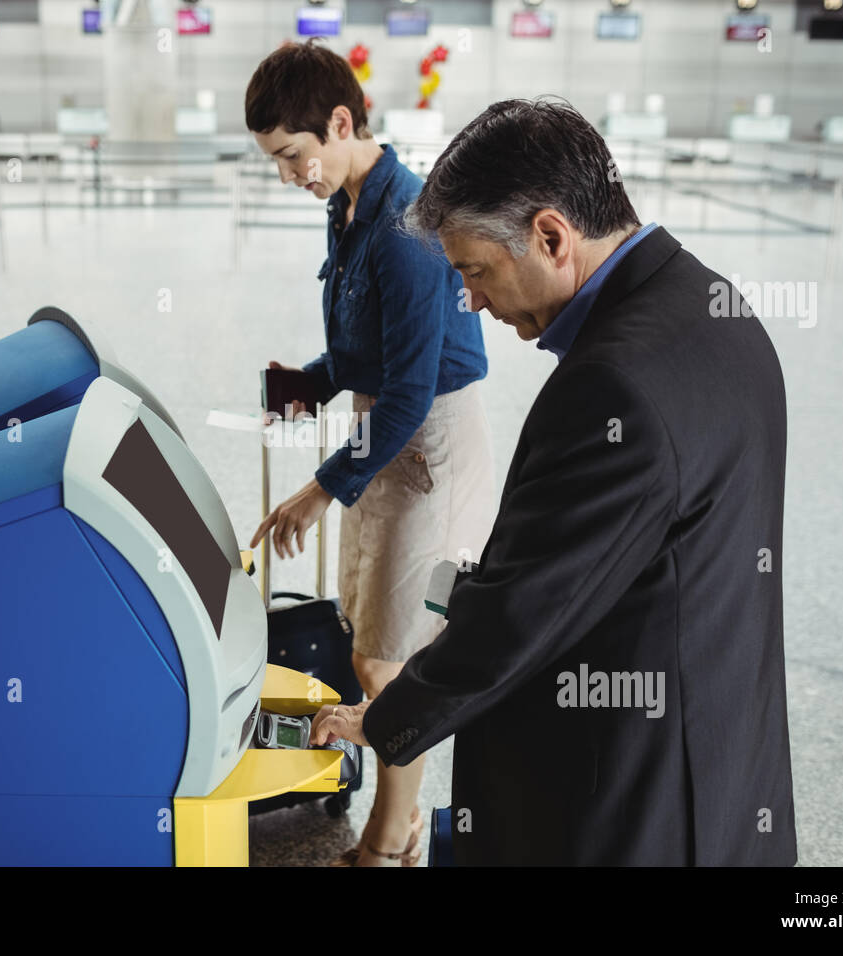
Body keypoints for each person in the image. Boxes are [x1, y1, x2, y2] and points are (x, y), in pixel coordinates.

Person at [311, 97, 798, 866]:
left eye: (474, 270)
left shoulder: (615, 386)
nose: (469, 299)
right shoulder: (715, 307)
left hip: (633, 798)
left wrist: (383, 719)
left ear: (549, 235)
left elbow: (521, 617)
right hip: (723, 764)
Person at [243, 40, 495, 866]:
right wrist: (309, 384)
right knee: (366, 642)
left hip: (425, 445)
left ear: (340, 122)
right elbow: (369, 354)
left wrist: (321, 490)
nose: (288, 176)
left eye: (292, 155)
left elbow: (413, 391)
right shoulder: (348, 206)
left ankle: (391, 843)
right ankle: (400, 821)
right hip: (376, 426)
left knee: (390, 663)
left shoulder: (405, 226)